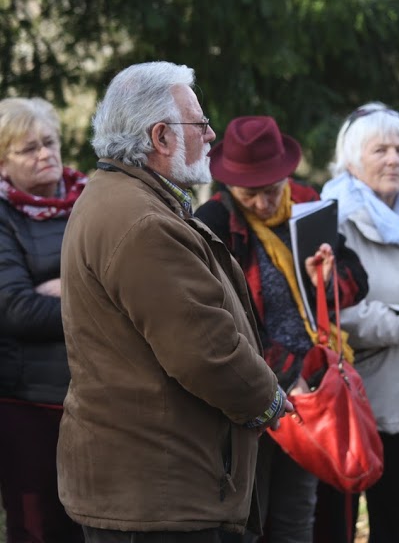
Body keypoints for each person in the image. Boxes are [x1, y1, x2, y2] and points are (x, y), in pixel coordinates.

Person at [58, 61, 292, 541]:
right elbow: (205, 351)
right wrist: (267, 399)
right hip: (159, 494)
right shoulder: (143, 221)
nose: (211, 135)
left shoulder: (125, 197)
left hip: (151, 484)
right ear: (161, 137)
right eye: (200, 123)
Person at [194, 115, 369, 543]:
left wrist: (327, 278)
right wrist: (281, 372)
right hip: (250, 392)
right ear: (230, 186)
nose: (263, 203)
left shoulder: (308, 206)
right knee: (247, 519)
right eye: (250, 194)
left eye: (272, 190)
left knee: (296, 517)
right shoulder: (214, 222)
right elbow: (216, 316)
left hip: (309, 394)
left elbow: (358, 280)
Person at [316, 102, 399, 543]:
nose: (394, 159)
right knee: (334, 528)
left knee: (398, 527)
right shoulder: (331, 218)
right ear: (352, 159)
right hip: (350, 404)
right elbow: (336, 315)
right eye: (380, 150)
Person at [0, 98, 85, 543]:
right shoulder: (3, 216)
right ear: (2, 162)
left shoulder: (91, 200)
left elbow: (129, 285)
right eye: (28, 149)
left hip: (95, 395)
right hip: (29, 402)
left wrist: (67, 287)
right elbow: (16, 309)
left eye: (49, 142)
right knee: (39, 528)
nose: (45, 154)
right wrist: (94, 299)